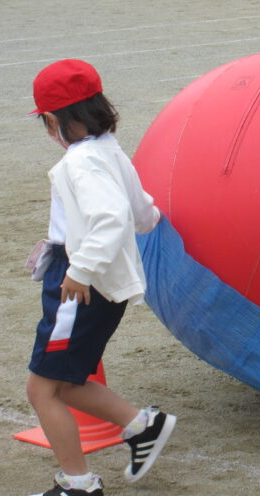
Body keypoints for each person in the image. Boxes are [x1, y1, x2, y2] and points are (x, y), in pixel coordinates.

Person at [26, 59, 176, 496]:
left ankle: (79, 484)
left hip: (80, 285)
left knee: (43, 390)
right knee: (65, 382)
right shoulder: (109, 150)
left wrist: (79, 270)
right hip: (92, 280)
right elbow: (140, 211)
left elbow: (111, 217)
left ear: (53, 120)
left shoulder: (81, 161)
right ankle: (141, 425)